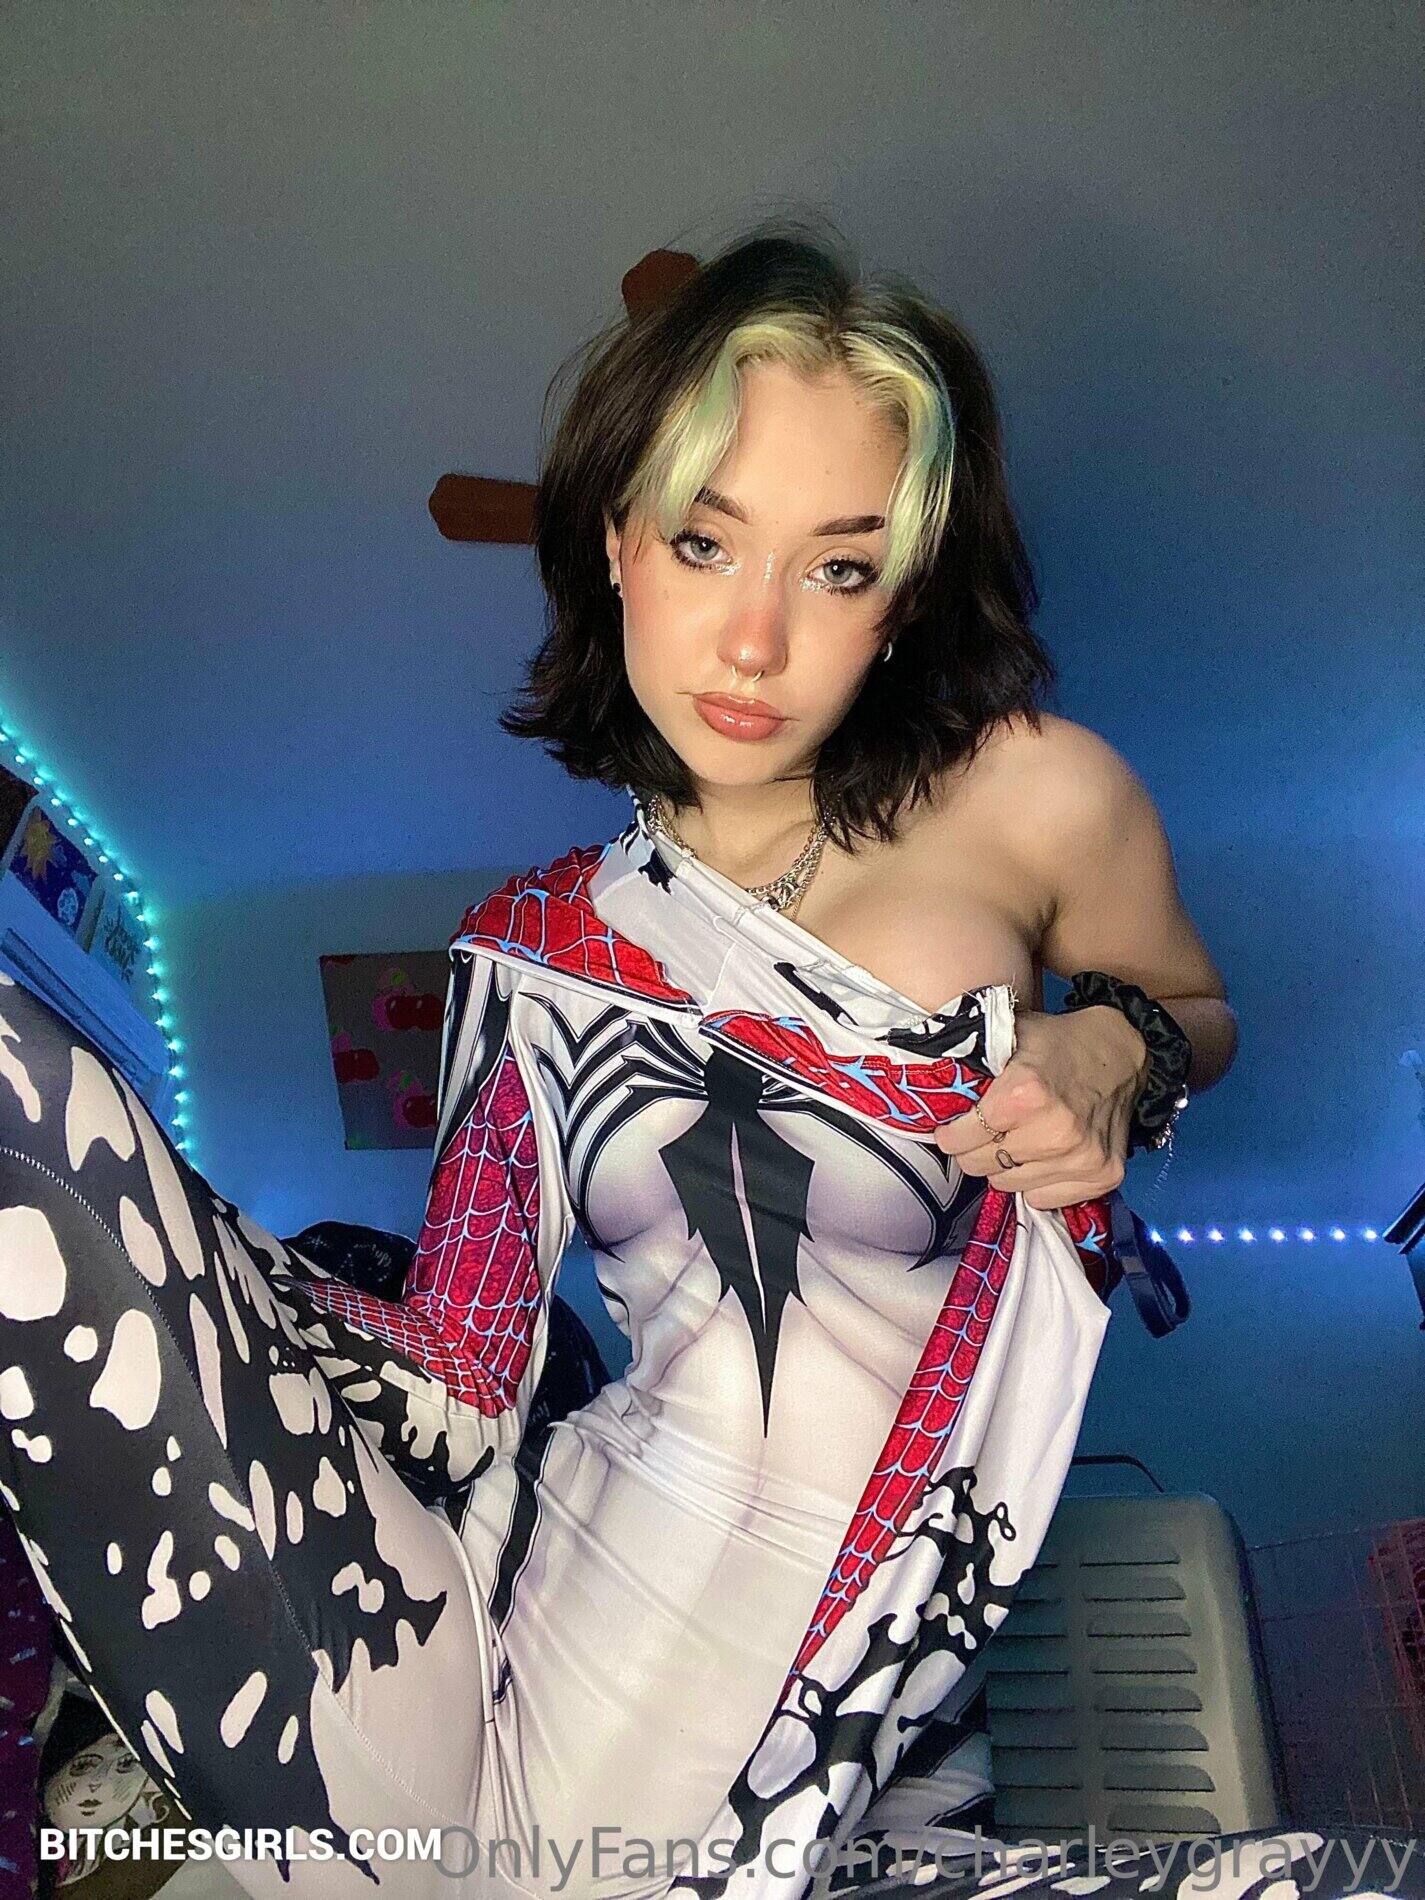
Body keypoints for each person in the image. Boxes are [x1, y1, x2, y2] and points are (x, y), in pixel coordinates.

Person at [3, 218, 1375, 1900]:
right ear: (615, 544)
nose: (753, 641)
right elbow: (457, 1375)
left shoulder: (1038, 795)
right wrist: (193, 1268)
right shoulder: (535, 946)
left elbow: (1194, 1011)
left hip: (850, 1710)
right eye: (705, 542)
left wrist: (1111, 1042)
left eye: (838, 568)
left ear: (904, 595)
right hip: (508, 1646)